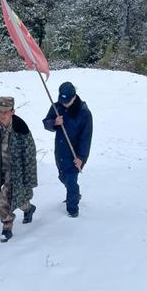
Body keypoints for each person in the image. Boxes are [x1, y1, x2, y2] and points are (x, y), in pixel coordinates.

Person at [0, 96, 38, 242]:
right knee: (18, 199)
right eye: (0, 111)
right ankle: (28, 208)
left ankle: (7, 226)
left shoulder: (21, 130)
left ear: (13, 111)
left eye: (6, 111)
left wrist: (29, 177)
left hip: (16, 172)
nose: (2, 114)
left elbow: (30, 154)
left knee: (4, 199)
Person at [43, 82, 93, 218]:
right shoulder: (56, 106)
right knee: (62, 176)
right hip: (60, 150)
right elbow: (46, 122)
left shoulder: (84, 113)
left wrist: (81, 158)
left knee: (71, 179)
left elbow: (86, 139)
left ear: (74, 97)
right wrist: (54, 123)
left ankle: (73, 209)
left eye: (67, 101)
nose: (64, 103)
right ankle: (74, 193)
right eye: (62, 100)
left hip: (74, 153)